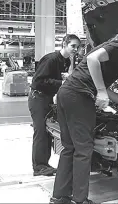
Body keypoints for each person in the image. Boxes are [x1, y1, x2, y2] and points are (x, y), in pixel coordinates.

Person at [50, 23, 118, 204]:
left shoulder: (110, 46)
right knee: (84, 149)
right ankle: (80, 199)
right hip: (79, 96)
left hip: (66, 93)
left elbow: (102, 84)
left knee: (69, 148)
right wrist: (100, 92)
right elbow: (93, 59)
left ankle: (59, 197)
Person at [28, 34, 81, 176]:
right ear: (64, 44)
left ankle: (44, 164)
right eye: (73, 46)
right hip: (38, 97)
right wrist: (61, 83)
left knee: (47, 132)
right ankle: (38, 167)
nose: (75, 49)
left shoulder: (66, 62)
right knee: (40, 132)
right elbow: (38, 81)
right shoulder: (50, 59)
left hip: (48, 98)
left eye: (78, 47)